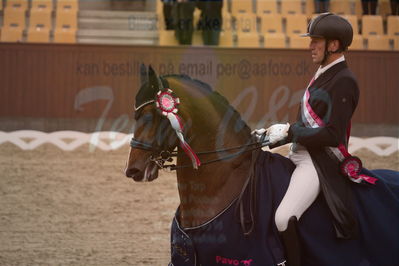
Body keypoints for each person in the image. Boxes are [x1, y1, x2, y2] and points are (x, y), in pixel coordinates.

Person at [254, 13, 378, 266]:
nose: (310, 46)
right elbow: (307, 123)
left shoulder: (344, 80)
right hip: (300, 153)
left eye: (316, 41)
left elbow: (332, 134)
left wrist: (291, 132)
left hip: (317, 162)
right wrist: (270, 136)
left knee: (283, 217)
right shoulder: (324, 72)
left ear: (333, 45)